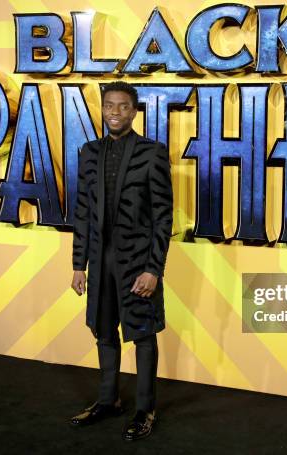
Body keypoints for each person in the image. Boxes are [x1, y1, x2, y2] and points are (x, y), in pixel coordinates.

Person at [69, 81, 173, 441]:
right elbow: (81, 210)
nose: (115, 112)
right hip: (99, 261)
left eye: (123, 106)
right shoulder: (88, 152)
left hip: (137, 262)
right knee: (103, 329)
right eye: (109, 105)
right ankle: (108, 400)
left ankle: (145, 409)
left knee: (143, 335)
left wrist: (153, 269)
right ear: (102, 109)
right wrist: (78, 264)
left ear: (134, 110)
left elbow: (164, 216)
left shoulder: (152, 152)